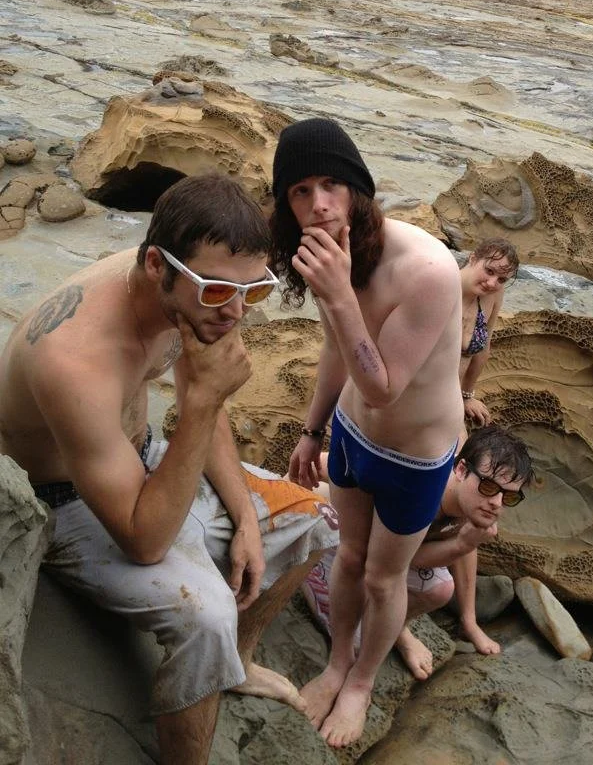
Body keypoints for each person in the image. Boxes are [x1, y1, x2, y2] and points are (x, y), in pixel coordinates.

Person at [0, 174, 339, 765]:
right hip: (65, 504)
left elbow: (194, 387)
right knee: (204, 614)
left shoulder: (183, 294)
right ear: (158, 264)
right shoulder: (74, 361)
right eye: (215, 291)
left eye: (252, 291)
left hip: (147, 458)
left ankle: (237, 659)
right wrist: (206, 401)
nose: (234, 311)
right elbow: (145, 540)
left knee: (315, 517)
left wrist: (248, 518)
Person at [269, 117, 464, 748]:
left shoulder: (427, 270)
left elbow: (385, 385)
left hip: (416, 457)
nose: (319, 203)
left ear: (357, 189)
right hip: (353, 435)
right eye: (300, 191)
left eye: (331, 184)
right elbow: (338, 350)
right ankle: (336, 664)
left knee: (385, 578)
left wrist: (340, 294)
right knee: (349, 559)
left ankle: (361, 684)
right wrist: (312, 429)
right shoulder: (331, 256)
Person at [303, 425, 534, 673]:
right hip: (335, 531)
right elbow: (326, 464)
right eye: (488, 486)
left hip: (383, 549)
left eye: (509, 497)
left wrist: (469, 619)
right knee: (358, 642)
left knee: (439, 589)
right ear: (461, 469)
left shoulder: (474, 500)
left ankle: (398, 628)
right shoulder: (419, 490)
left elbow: (453, 546)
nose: (497, 503)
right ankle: (312, 574)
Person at [459, 238, 518, 428]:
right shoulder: (444, 287)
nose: (492, 283)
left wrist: (467, 395)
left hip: (453, 400)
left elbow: (483, 348)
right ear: (473, 258)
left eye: (502, 279)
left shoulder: (492, 295)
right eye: (489, 271)